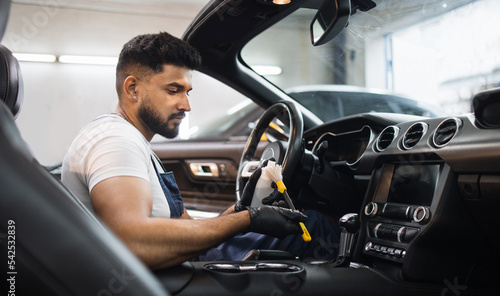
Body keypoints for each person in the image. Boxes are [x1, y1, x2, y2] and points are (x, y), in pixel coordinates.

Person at [62, 32, 340, 270]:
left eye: (187, 92)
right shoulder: (114, 140)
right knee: (316, 227)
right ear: (133, 88)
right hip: (167, 283)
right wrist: (248, 220)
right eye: (173, 90)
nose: (186, 105)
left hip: (185, 263)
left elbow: (185, 226)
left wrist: (239, 211)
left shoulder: (133, 141)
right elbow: (133, 240)